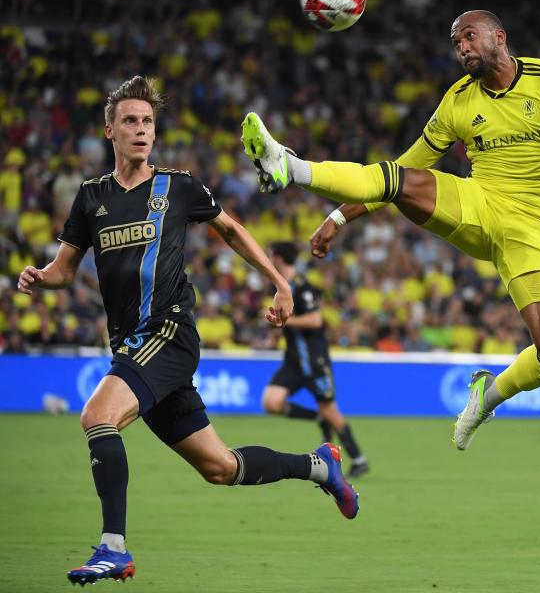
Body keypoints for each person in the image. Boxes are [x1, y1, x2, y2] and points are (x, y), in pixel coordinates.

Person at [241, 10, 540, 451]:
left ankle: (486, 396)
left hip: (537, 227)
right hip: (480, 204)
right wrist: (338, 217)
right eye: (457, 43)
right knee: (401, 180)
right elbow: (404, 166)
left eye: (469, 37)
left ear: (500, 36)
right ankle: (292, 166)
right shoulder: (458, 100)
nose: (462, 48)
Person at [17, 76, 359, 587]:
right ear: (110, 130)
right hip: (131, 346)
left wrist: (279, 282)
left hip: (169, 333)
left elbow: (232, 231)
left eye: (147, 122)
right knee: (220, 468)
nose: (140, 130)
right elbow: (66, 269)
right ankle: (320, 465)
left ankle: (113, 548)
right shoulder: (92, 198)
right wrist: (43, 277)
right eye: (130, 121)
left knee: (97, 415)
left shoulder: (178, 187)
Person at [262, 241, 370, 478]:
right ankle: (317, 417)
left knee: (332, 410)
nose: (270, 259)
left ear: (279, 258)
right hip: (293, 361)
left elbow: (315, 320)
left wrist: (285, 322)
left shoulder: (301, 286)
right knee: (271, 401)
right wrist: (274, 334)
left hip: (314, 361)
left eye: (272, 255)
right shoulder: (282, 288)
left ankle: (359, 459)